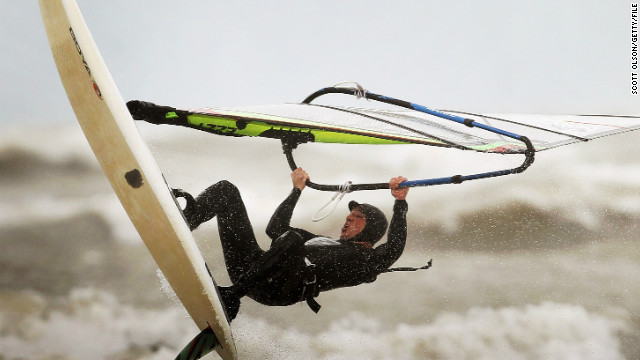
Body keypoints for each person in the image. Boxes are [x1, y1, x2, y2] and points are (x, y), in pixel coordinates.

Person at [172, 168, 410, 322]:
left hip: (279, 288)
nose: (349, 218)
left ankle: (231, 297)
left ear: (372, 229)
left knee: (293, 239)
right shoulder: (321, 241)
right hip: (252, 268)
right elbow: (274, 229)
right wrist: (296, 190)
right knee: (226, 191)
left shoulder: (367, 260)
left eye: (359, 217)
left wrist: (400, 203)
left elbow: (396, 245)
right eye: (350, 214)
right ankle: (182, 222)